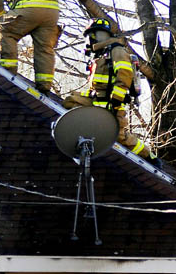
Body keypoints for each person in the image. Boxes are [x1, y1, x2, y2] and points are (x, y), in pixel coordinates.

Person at [63, 19, 160, 166]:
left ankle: (149, 156)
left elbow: (125, 74)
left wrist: (116, 100)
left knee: (119, 137)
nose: (87, 40)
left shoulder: (116, 50)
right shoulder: (100, 55)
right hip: (96, 100)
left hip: (111, 104)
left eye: (89, 36)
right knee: (70, 101)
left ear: (96, 35)